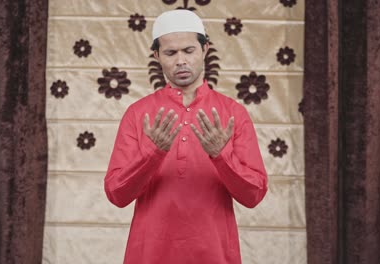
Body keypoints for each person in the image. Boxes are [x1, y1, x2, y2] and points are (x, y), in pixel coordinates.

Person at [104, 9, 268, 264]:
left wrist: (221, 155)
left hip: (215, 254)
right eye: (170, 53)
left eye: (188, 51)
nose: (181, 60)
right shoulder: (138, 114)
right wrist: (152, 154)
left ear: (205, 49)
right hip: (149, 255)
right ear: (157, 55)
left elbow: (253, 196)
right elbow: (117, 195)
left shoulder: (233, 113)